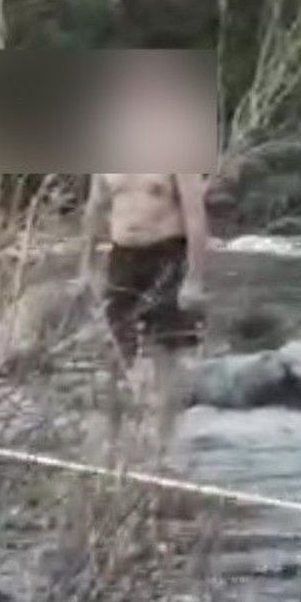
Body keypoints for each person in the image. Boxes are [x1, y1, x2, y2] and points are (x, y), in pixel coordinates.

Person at [80, 170, 210, 446]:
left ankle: (162, 448)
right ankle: (110, 446)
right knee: (114, 354)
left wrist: (194, 279)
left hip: (167, 256)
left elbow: (196, 216)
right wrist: (87, 266)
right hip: (122, 258)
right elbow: (95, 208)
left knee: (166, 353)